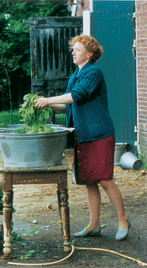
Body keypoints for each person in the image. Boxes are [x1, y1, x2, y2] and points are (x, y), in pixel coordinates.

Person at [34, 35, 130, 241]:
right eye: (73, 50)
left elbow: (77, 96)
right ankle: (94, 224)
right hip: (84, 134)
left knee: (105, 178)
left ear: (90, 54)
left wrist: (48, 99)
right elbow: (68, 104)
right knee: (89, 181)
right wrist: (44, 103)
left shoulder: (93, 72)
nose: (73, 53)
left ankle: (123, 220)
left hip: (100, 133)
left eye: (77, 49)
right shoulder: (75, 75)